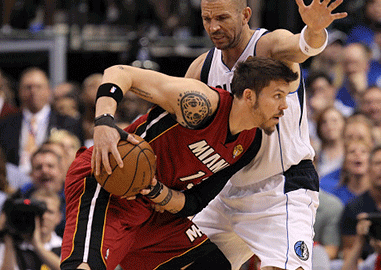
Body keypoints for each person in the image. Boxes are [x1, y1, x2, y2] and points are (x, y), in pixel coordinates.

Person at [60, 56, 298, 270]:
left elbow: (195, 201)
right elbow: (120, 71)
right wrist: (103, 122)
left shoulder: (249, 144)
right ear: (249, 95)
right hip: (109, 182)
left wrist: (157, 192)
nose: (284, 106)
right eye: (277, 95)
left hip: (152, 210)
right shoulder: (200, 103)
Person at [182, 0, 347, 270]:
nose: (214, 27)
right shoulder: (200, 68)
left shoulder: (268, 45)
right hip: (225, 189)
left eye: (222, 17)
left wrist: (315, 30)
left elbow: (302, 47)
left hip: (279, 187)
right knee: (177, 261)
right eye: (207, 19)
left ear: (245, 15)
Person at [0, 67, 83, 176]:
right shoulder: (5, 124)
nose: (33, 91)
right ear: (19, 91)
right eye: (28, 87)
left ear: (48, 90)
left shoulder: (68, 123)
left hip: (53, 181)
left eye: (38, 87)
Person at [340, 144, 381, 261]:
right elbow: (348, 252)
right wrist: (359, 240)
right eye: (377, 163)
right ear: (368, 169)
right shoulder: (353, 207)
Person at [0, 188, 63, 270]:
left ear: (59, 217)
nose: (44, 216)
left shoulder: (64, 247)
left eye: (49, 212)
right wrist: (8, 238)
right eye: (39, 211)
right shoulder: (10, 244)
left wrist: (37, 245)